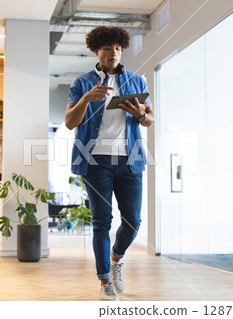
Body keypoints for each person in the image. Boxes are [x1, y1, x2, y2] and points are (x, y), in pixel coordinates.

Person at [64, 26, 155, 301]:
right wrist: (85, 99)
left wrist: (142, 115)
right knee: (101, 221)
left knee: (133, 222)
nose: (113, 53)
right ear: (96, 50)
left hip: (130, 161)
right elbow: (70, 122)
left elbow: (151, 119)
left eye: (118, 48)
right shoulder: (82, 82)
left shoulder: (137, 81)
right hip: (95, 162)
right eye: (108, 48)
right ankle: (105, 280)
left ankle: (116, 258)